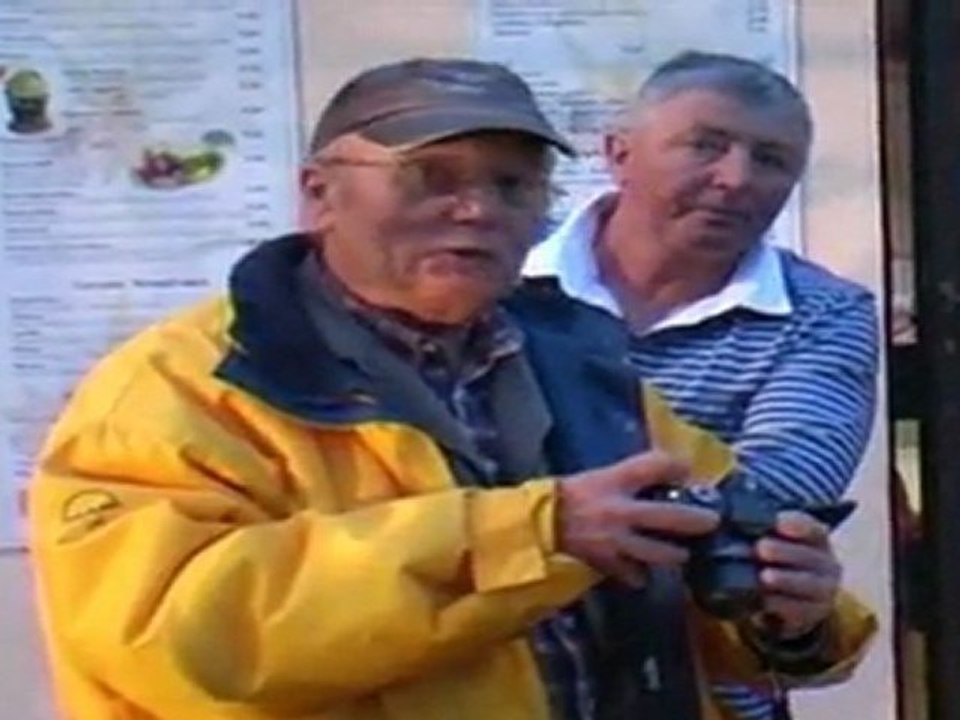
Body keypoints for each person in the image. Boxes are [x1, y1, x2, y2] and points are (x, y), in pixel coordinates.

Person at [29, 57, 874, 720]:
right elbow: (179, 639)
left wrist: (794, 616)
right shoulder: (183, 387)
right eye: (434, 177)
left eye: (512, 185)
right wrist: (537, 534)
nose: (478, 210)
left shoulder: (578, 361)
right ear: (320, 194)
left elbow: (709, 582)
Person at [524, 51, 880, 719]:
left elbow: (776, 499)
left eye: (771, 160)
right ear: (618, 152)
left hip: (702, 687)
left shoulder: (823, 312)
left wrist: (541, 509)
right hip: (502, 673)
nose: (736, 179)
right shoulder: (502, 276)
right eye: (704, 146)